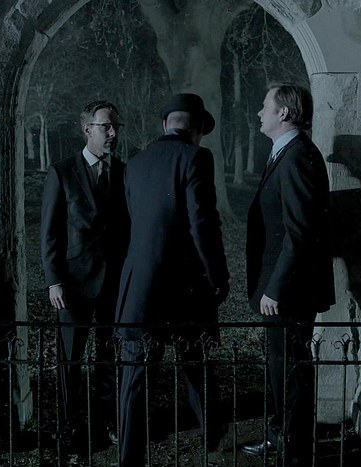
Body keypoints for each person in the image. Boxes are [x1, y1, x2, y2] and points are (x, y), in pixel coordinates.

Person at [115, 93, 230, 467]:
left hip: (141, 284)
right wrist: (217, 276)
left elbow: (134, 221)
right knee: (195, 361)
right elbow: (203, 224)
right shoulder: (196, 157)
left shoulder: (136, 162)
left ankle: (129, 456)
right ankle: (212, 440)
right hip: (184, 284)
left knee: (135, 375)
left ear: (166, 124)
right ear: (196, 129)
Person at [239, 83, 335, 466]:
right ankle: (282, 436)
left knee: (291, 369)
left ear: (283, 113)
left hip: (289, 291)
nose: (259, 113)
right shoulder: (287, 152)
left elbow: (299, 232)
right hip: (284, 287)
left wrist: (275, 287)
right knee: (282, 366)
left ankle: (295, 452)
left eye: (265, 106)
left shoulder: (296, 157)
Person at [40, 100, 129, 450]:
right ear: (87, 129)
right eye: (106, 126)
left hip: (114, 283)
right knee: (70, 361)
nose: (113, 133)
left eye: (116, 126)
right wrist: (54, 280)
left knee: (109, 358)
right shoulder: (62, 172)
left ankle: (108, 422)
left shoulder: (124, 172)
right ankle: (69, 426)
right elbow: (50, 233)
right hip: (73, 285)